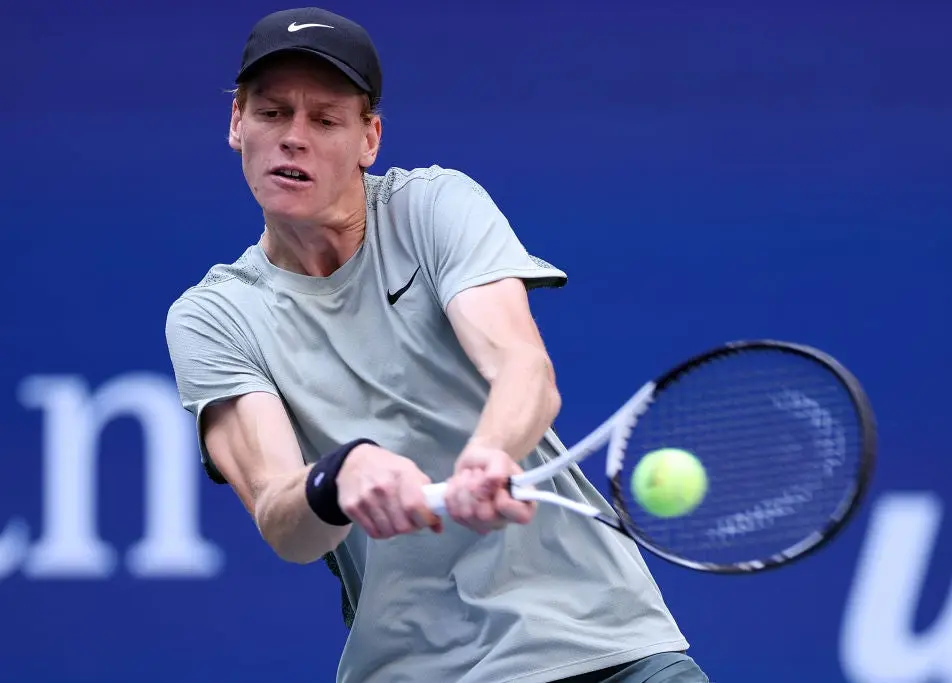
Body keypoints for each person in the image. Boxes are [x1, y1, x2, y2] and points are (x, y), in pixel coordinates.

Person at [165, 7, 710, 683]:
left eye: (326, 120)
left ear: (369, 138)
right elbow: (284, 520)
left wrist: (489, 452)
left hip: (603, 644)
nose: (293, 138)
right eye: (272, 113)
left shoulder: (431, 206)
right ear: (236, 123)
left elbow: (522, 366)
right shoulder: (213, 316)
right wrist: (339, 477)